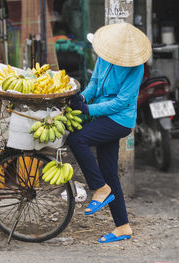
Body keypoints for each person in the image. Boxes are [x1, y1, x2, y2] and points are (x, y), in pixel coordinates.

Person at [66, 23, 152, 243]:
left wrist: (89, 109)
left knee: (77, 138)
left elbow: (122, 102)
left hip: (119, 120)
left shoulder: (136, 67)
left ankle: (99, 187)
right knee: (110, 171)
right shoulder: (104, 56)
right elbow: (95, 83)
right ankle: (123, 227)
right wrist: (82, 98)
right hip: (102, 116)